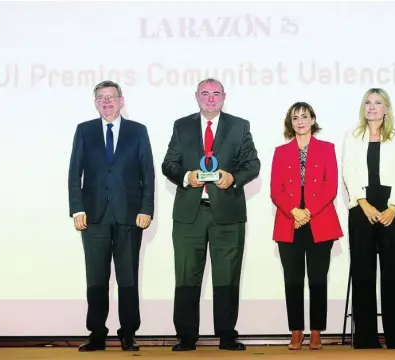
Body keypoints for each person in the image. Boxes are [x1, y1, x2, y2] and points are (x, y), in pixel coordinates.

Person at [161, 78, 261, 351]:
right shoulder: (182, 126)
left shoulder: (240, 126)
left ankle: (227, 335)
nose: (210, 98)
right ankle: (186, 336)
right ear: (196, 96)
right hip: (189, 215)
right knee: (186, 275)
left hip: (227, 215)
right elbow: (168, 164)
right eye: (205, 94)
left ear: (224, 96)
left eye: (216, 94)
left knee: (227, 275)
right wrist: (186, 176)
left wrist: (234, 177)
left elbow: (253, 164)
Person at [68, 80, 155, 352]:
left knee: (128, 278)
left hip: (130, 216)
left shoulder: (138, 131)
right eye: (101, 98)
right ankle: (96, 334)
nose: (107, 102)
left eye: (111, 97)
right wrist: (77, 208)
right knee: (96, 278)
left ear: (121, 100)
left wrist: (146, 209)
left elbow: (148, 174)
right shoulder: (84, 131)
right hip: (93, 217)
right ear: (96, 102)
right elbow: (74, 173)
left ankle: (128, 333)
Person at [342, 88, 395, 349]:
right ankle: (365, 339)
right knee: (363, 274)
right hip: (361, 208)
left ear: (387, 109)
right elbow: (348, 171)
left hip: (391, 209)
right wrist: (363, 204)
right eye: (368, 103)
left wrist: (393, 207)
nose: (372, 107)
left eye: (378, 103)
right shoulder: (352, 136)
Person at [270, 102, 343, 350]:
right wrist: (294, 211)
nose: (300, 121)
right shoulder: (280, 152)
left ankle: (316, 331)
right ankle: (296, 331)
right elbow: (275, 191)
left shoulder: (327, 148)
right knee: (292, 279)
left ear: (313, 119)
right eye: (295, 117)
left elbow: (330, 187)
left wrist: (308, 212)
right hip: (288, 221)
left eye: (304, 116)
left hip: (319, 221)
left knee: (318, 279)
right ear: (290, 123)